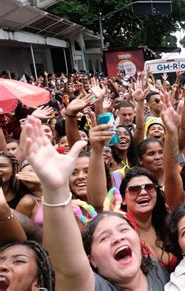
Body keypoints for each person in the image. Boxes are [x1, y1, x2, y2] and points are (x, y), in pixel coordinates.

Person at [22, 116, 170, 290]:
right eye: (104, 238)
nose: (118, 238)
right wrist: (55, 191)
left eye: (123, 229)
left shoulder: (155, 268)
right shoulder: (98, 287)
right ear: (90, 259)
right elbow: (67, 268)